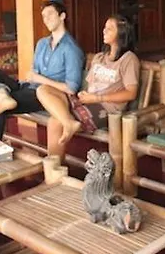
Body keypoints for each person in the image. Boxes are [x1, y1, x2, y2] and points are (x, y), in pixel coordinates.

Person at [36, 14, 140, 159]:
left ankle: (54, 168)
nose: (104, 31)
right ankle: (68, 122)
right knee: (43, 89)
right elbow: (90, 85)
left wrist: (97, 98)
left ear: (122, 33)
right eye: (105, 27)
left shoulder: (128, 59)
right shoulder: (99, 57)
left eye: (109, 28)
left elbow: (131, 93)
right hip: (87, 100)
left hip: (106, 108)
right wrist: (84, 95)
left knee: (55, 121)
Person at [0, 0, 85, 140]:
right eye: (44, 16)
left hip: (43, 95)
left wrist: (40, 79)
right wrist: (33, 77)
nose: (46, 19)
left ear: (62, 16)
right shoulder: (42, 43)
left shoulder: (71, 49)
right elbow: (34, 73)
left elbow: (71, 88)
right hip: (25, 86)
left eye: (50, 14)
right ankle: (4, 96)